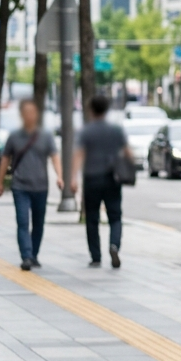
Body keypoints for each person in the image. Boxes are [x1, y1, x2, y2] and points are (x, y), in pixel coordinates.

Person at [0, 100, 63, 271]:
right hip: (20, 186)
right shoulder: (14, 136)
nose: (30, 115)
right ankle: (26, 256)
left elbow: (55, 157)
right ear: (22, 115)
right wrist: (0, 181)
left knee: (38, 222)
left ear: (37, 114)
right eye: (26, 112)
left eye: (32, 112)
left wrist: (60, 176)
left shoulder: (46, 136)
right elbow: (5, 159)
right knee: (23, 221)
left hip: (41, 186)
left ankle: (34, 254)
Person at [73, 95, 131, 268]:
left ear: (91, 109)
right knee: (115, 216)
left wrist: (72, 178)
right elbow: (128, 153)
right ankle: (114, 245)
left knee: (92, 218)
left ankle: (96, 256)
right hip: (112, 179)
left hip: (91, 179)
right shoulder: (116, 130)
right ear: (106, 110)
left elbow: (79, 155)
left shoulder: (86, 131)